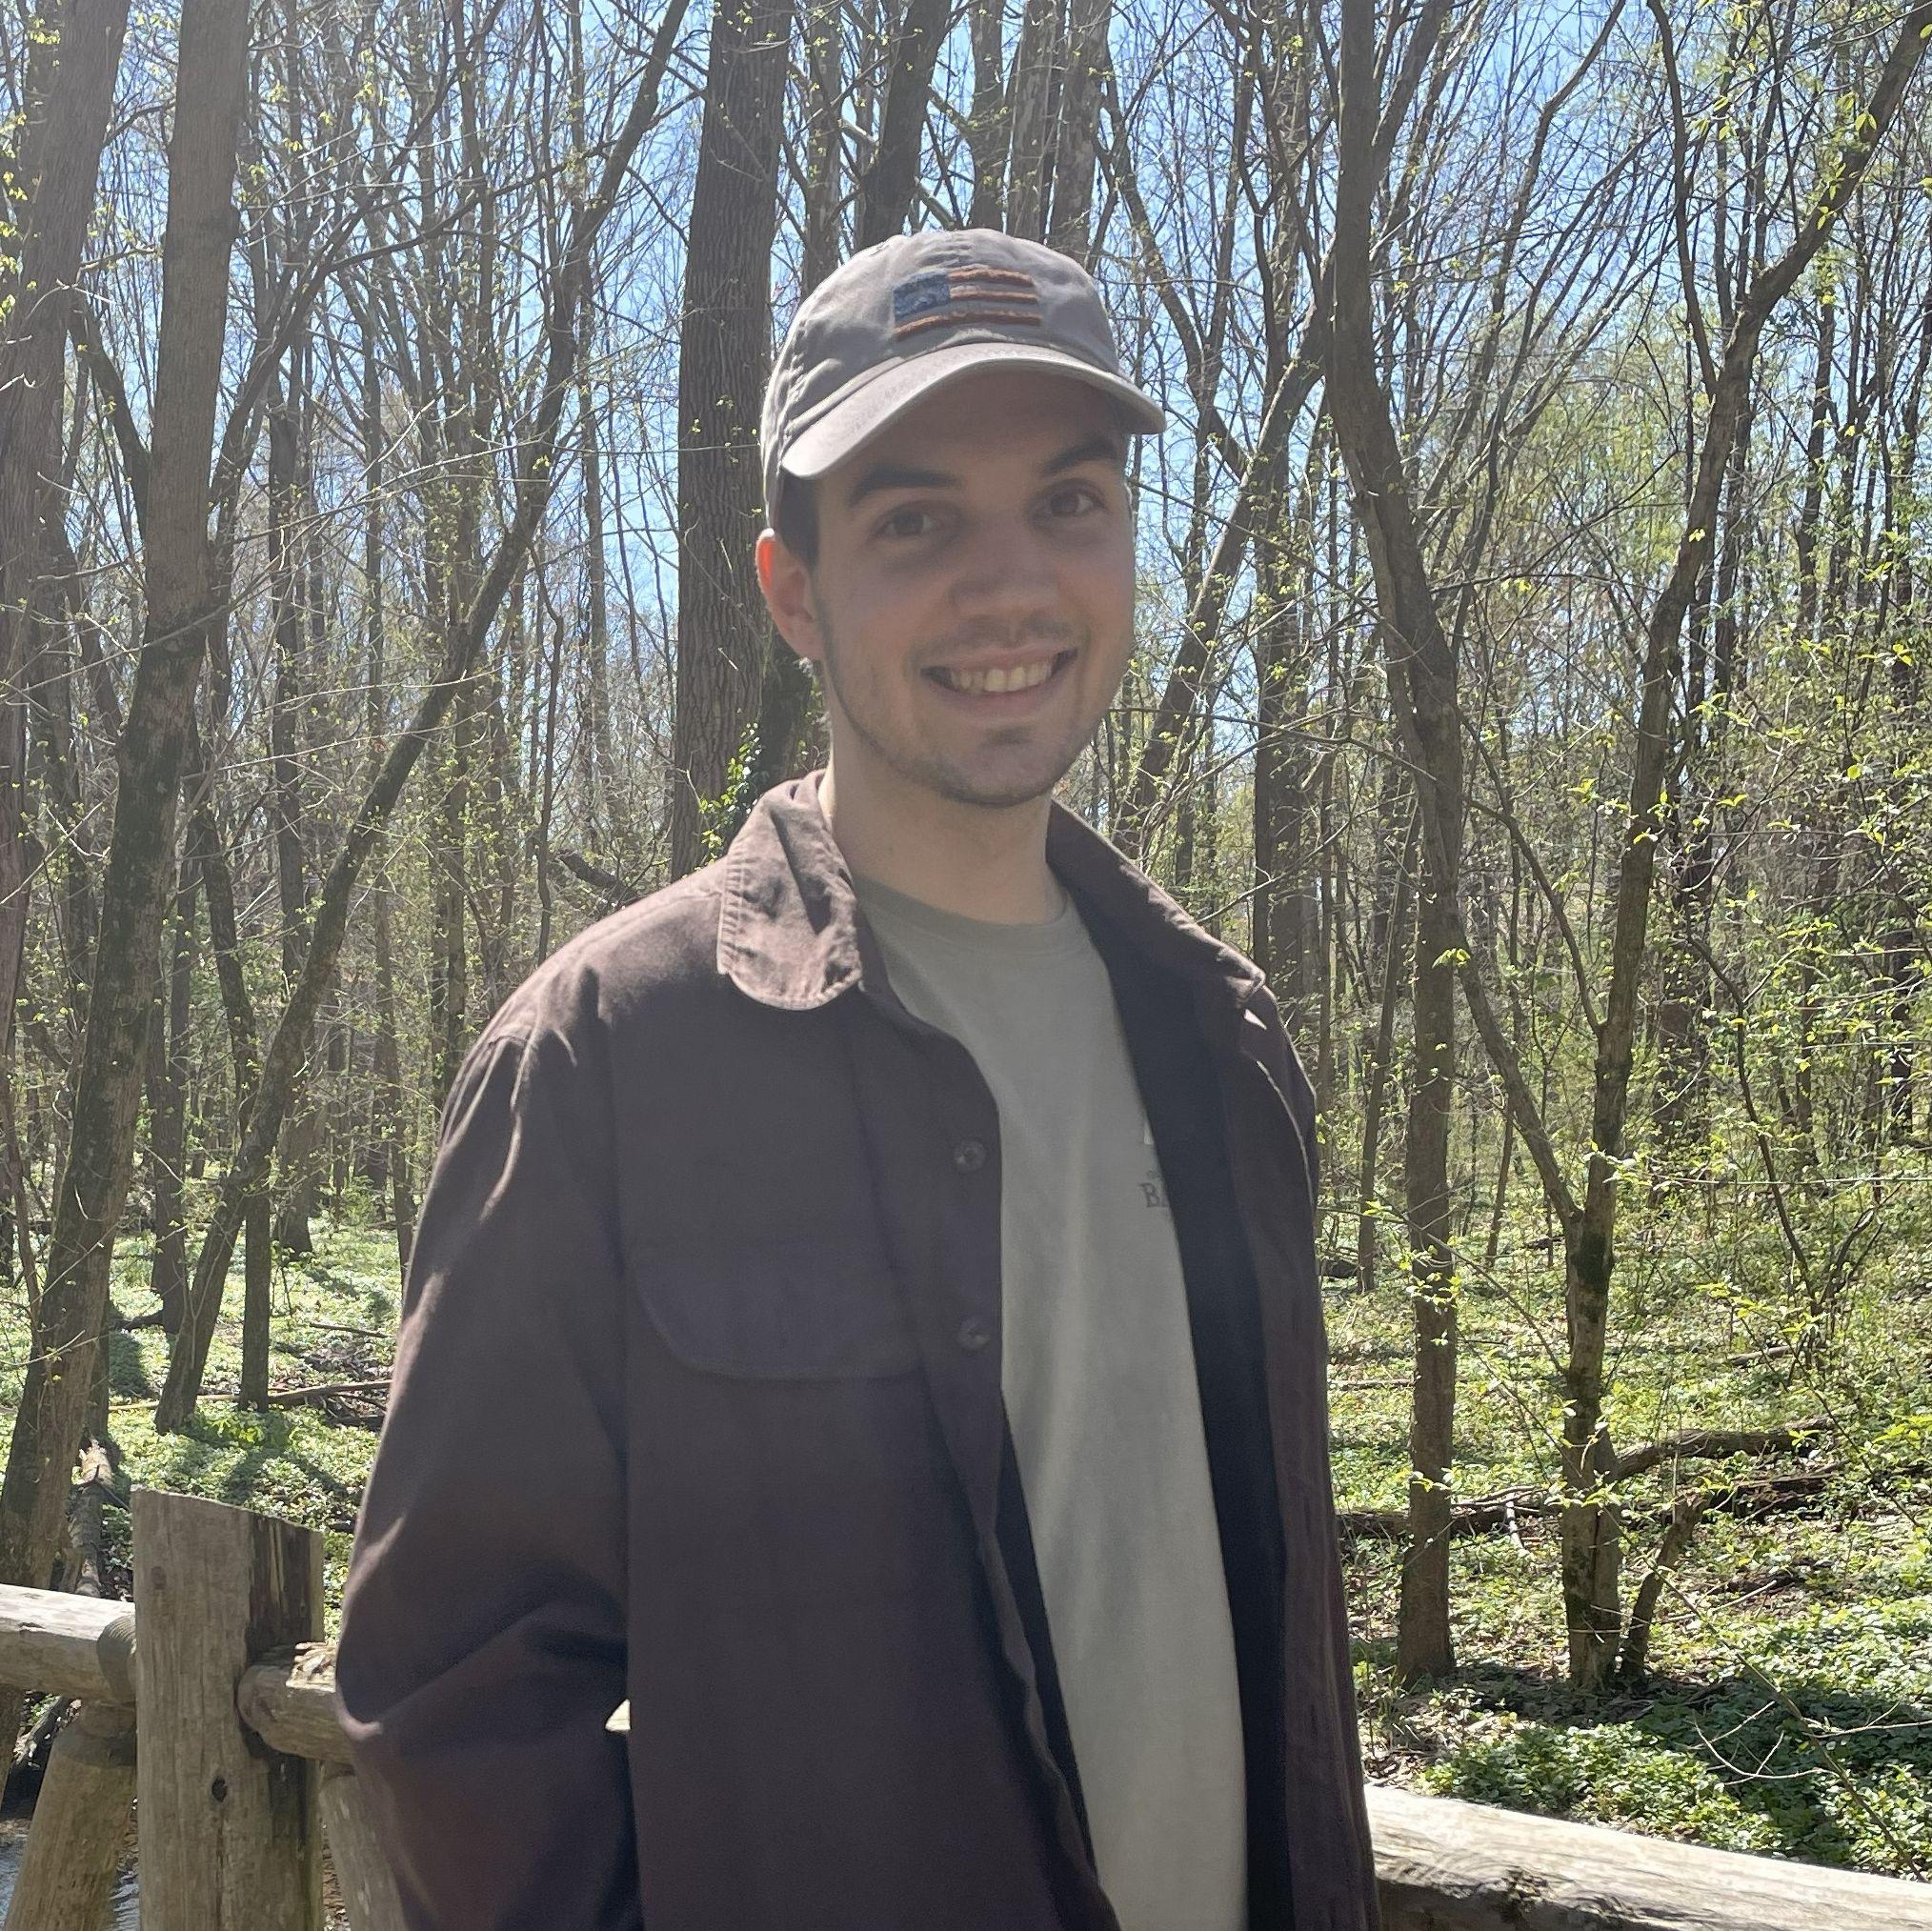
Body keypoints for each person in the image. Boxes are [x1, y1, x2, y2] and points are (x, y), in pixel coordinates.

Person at [336, 227, 1379, 1931]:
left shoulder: (1222, 1035)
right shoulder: (606, 1062)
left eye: (1069, 503)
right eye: (915, 523)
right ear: (792, 590)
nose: (1011, 586)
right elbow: (451, 1699)